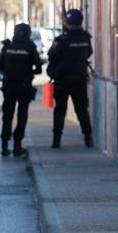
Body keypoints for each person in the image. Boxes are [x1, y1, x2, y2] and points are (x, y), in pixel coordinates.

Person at [47, 9, 94, 149]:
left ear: (67, 24)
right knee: (82, 111)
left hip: (62, 80)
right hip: (79, 79)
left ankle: (56, 141)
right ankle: (88, 138)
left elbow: (51, 56)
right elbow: (89, 53)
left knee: (60, 111)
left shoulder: (61, 40)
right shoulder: (85, 38)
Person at [0, 23, 43, 157]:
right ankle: (17, 146)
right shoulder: (30, 47)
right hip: (24, 87)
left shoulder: (7, 46)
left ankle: (4, 146)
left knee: (7, 116)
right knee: (22, 116)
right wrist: (29, 72)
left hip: (9, 86)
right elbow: (39, 68)